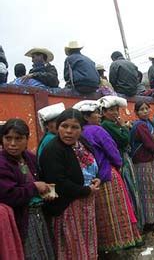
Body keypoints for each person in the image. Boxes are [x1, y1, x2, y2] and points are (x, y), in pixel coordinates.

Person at [73, 100, 142, 252]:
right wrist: (117, 165)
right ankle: (123, 243)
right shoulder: (98, 130)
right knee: (118, 212)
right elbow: (113, 152)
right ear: (86, 116)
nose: (99, 116)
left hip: (93, 181)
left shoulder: (78, 133)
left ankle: (108, 247)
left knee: (102, 216)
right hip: (108, 174)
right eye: (96, 113)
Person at [39, 109, 101, 260]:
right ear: (57, 127)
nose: (68, 131)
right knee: (72, 249)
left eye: (74, 127)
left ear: (81, 129)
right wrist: (86, 190)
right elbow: (59, 183)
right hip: (66, 207)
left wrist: (96, 178)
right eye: (64, 126)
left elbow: (90, 165)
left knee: (86, 244)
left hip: (84, 203)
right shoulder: (53, 150)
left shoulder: (81, 143)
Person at [0, 118, 55, 259]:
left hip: (38, 216)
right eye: (8, 138)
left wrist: (46, 191)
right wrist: (35, 187)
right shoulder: (2, 163)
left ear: (27, 139)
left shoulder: (28, 157)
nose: (12, 144)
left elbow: (37, 180)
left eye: (18, 139)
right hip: (20, 219)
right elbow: (8, 194)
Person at [99, 95, 144, 230]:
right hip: (122, 159)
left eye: (116, 110)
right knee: (130, 188)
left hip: (123, 158)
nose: (115, 113)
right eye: (111, 110)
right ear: (104, 112)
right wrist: (124, 128)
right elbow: (125, 140)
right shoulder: (108, 125)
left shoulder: (111, 124)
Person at [129, 100, 154, 229]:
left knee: (152, 189)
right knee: (149, 191)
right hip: (143, 162)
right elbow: (149, 143)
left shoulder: (148, 124)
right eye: (141, 109)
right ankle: (152, 221)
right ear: (136, 112)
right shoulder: (140, 126)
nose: (145, 111)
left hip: (149, 160)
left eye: (147, 108)